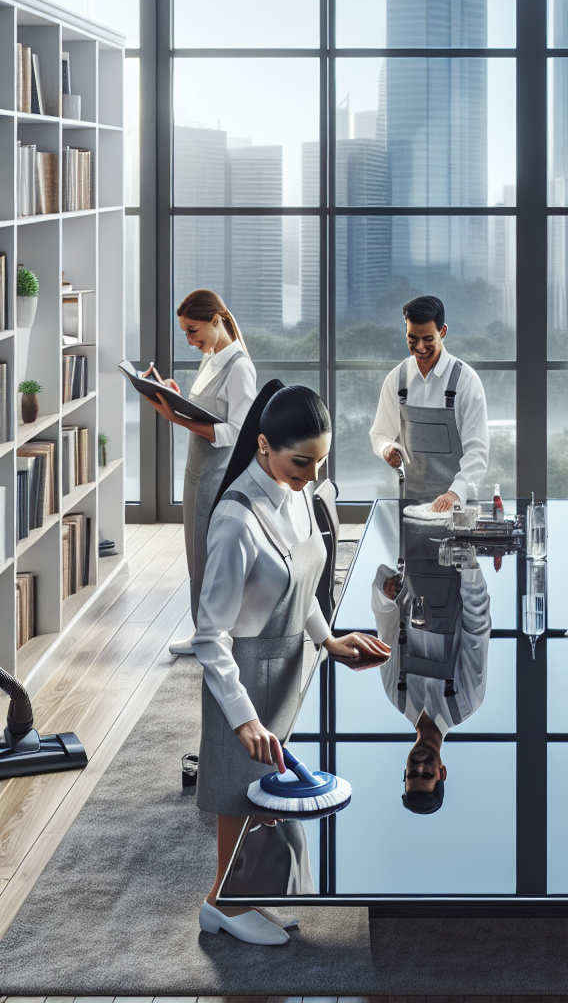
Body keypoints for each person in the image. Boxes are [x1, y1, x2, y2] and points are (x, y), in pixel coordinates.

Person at [194, 380, 390, 945]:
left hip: (287, 664)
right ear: (262, 446)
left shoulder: (299, 492)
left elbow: (300, 586)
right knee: (240, 792)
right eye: (300, 462)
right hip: (243, 672)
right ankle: (221, 904)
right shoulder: (237, 519)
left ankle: (254, 895)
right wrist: (242, 717)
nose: (311, 475)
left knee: (271, 799)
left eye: (320, 462)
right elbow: (210, 637)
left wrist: (328, 641)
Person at [143, 289, 258, 655]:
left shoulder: (239, 367)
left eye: (193, 331)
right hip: (196, 468)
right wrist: (174, 395)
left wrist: (176, 417)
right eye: (185, 333)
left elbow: (238, 432)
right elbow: (207, 409)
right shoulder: (211, 356)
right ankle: (203, 631)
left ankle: (211, 634)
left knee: (210, 556)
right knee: (196, 553)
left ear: (215, 320)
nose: (190, 340)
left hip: (216, 473)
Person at [370, 519, 493, 814]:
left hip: (411, 550)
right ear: (442, 772)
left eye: (412, 774)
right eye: (427, 775)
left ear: (405, 772)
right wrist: (467, 561)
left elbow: (385, 622)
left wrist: (386, 594)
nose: (420, 766)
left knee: (417, 482)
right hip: (454, 553)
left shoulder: (395, 695)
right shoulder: (466, 702)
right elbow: (477, 626)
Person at [369, 295, 489, 512]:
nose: (420, 348)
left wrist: (454, 493)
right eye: (412, 339)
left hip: (458, 507)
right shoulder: (397, 379)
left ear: (443, 332)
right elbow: (380, 433)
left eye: (428, 339)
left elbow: (477, 452)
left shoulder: (466, 381)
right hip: (411, 505)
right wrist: (387, 449)